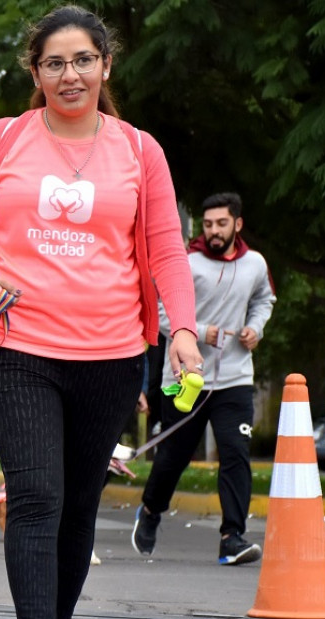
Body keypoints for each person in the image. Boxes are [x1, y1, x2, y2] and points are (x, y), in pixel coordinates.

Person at [0, 5, 202, 619]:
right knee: (38, 494)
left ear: (106, 65)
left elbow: (168, 249)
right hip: (14, 346)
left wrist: (182, 331)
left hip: (112, 355)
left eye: (83, 59)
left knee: (79, 505)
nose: (70, 74)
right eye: (54, 62)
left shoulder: (139, 151)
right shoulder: (1, 140)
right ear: (35, 72)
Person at [133, 192, 276, 565]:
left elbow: (265, 300)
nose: (213, 231)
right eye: (208, 224)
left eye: (221, 224)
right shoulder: (185, 262)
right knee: (174, 456)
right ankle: (150, 511)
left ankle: (232, 537)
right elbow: (159, 311)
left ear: (237, 224)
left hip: (235, 377)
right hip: (184, 376)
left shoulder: (255, 265)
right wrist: (198, 330)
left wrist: (255, 329)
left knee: (235, 453)